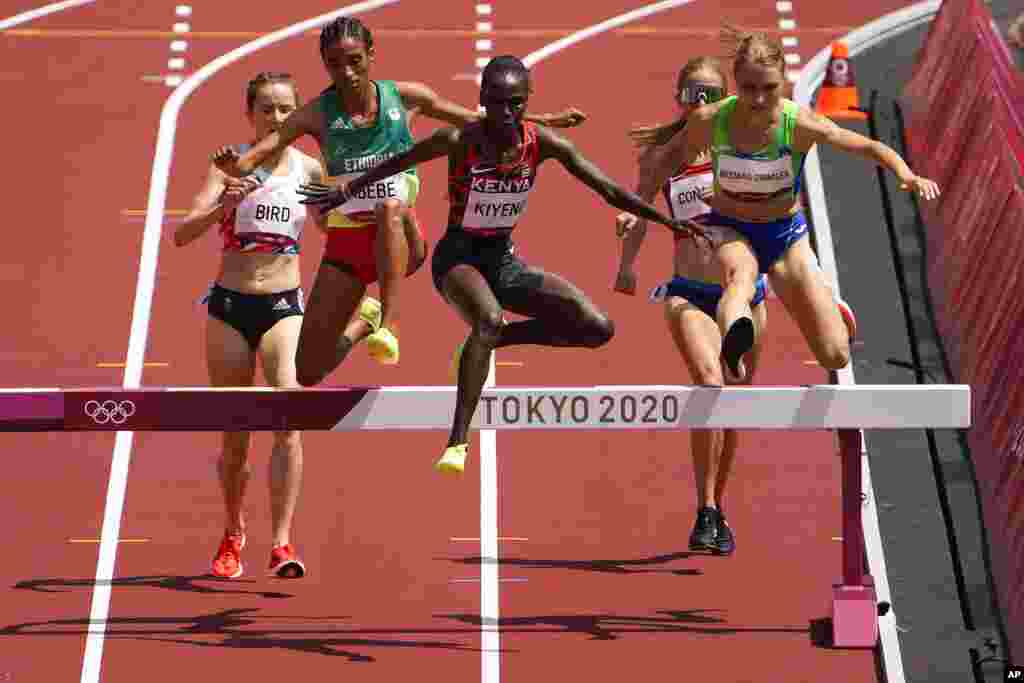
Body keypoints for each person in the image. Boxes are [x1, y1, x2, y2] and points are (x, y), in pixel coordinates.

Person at [298, 55, 701, 475]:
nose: (505, 114)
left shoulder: (543, 144)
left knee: (596, 328)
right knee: (486, 318)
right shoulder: (458, 140)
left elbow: (608, 189)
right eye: (495, 103)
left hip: (503, 261)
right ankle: (457, 442)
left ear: (527, 102)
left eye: (515, 104)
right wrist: (346, 191)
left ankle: (499, 339)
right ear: (482, 100)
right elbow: (396, 163)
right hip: (456, 260)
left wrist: (666, 221)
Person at [213, 17, 586, 386]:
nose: (346, 73)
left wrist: (546, 118)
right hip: (347, 248)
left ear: (371, 55)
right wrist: (236, 165)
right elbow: (259, 153)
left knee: (389, 206)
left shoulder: (407, 98)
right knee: (308, 371)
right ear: (324, 64)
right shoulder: (316, 113)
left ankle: (390, 326)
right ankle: (366, 325)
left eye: (355, 61)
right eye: (334, 64)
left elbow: (479, 118)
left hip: (402, 240)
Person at [630, 26, 938, 382]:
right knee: (739, 281)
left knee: (835, 355)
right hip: (729, 227)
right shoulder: (711, 121)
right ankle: (734, 347)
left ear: (783, 83)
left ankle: (828, 305)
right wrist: (636, 204)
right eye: (748, 88)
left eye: (769, 88)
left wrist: (906, 172)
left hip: (784, 236)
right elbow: (663, 162)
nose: (759, 99)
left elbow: (866, 146)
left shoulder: (799, 123)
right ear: (736, 83)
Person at [175, 72, 325, 579]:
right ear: (250, 113)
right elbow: (182, 233)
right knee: (236, 431)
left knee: (289, 411)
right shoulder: (229, 166)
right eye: (267, 109)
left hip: (284, 306)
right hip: (230, 308)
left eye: (286, 110)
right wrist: (226, 202)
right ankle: (233, 532)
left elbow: (341, 225)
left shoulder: (308, 169)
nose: (277, 118)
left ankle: (282, 542)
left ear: (298, 115)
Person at [614, 57, 765, 555]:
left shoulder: (741, 147)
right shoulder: (664, 154)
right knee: (709, 381)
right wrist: (626, 264)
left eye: (710, 95)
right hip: (689, 293)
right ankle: (704, 508)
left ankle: (720, 505)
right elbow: (639, 208)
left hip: (744, 296)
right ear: (679, 97)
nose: (700, 104)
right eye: (692, 94)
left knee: (735, 402)